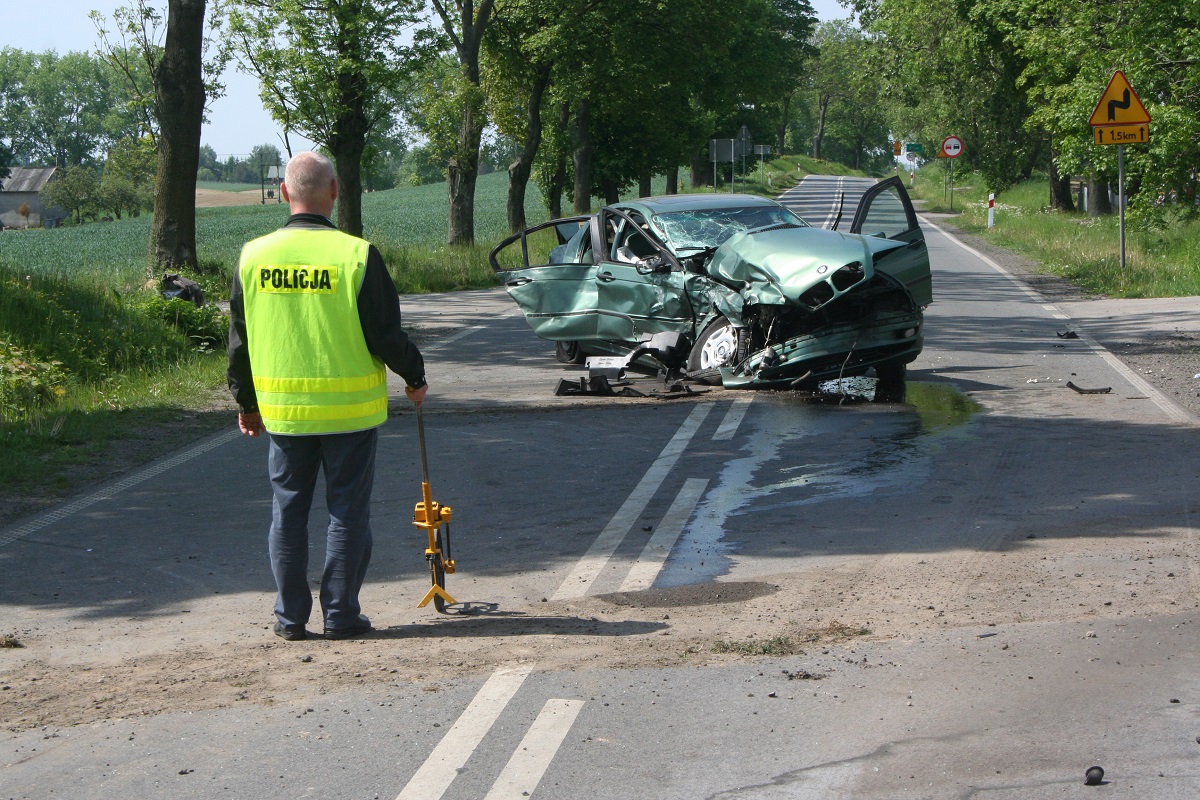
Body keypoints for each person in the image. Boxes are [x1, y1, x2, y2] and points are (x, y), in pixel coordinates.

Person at [227, 151, 428, 642]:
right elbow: (384, 333)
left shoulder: (253, 256)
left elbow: (240, 337)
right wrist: (414, 375)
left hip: (284, 414)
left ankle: (290, 619)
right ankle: (340, 615)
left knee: (288, 513)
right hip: (350, 415)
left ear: (283, 193)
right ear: (334, 191)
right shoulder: (357, 255)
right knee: (347, 513)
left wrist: (246, 403)